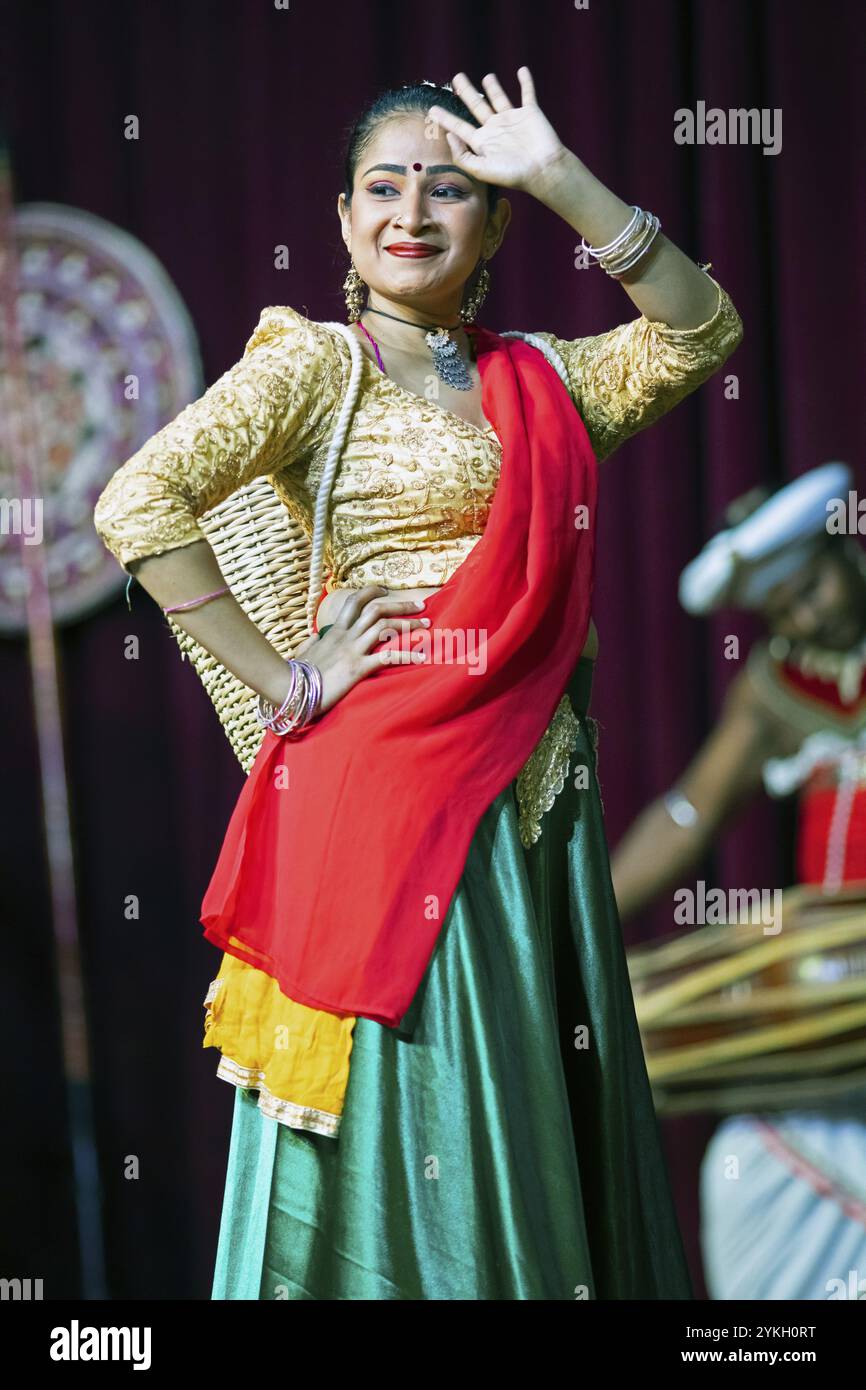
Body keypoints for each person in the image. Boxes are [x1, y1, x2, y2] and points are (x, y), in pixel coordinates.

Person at [93, 69, 743, 1300]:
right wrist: (287, 681)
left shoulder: (547, 380)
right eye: (381, 189)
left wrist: (557, 177)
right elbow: (136, 501)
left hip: (532, 807)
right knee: (421, 1121)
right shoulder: (317, 372)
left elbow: (701, 332)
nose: (411, 213)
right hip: (387, 808)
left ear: (492, 224)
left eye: (448, 190)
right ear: (341, 221)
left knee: (522, 1131)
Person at [611, 461, 866, 1300]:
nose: (804, 613)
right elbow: (691, 812)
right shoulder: (774, 689)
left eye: (813, 587)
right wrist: (588, 915)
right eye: (781, 604)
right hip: (829, 985)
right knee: (745, 1165)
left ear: (847, 554)